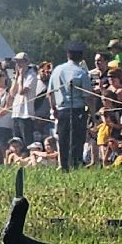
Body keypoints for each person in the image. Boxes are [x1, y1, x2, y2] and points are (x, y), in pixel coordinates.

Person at [47, 41, 93, 171]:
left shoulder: (57, 70)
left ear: (68, 54)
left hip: (61, 110)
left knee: (63, 139)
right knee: (77, 140)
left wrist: (53, 108)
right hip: (77, 110)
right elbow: (88, 96)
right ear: (81, 56)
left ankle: (64, 166)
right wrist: (92, 113)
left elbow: (50, 93)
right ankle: (76, 165)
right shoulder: (81, 72)